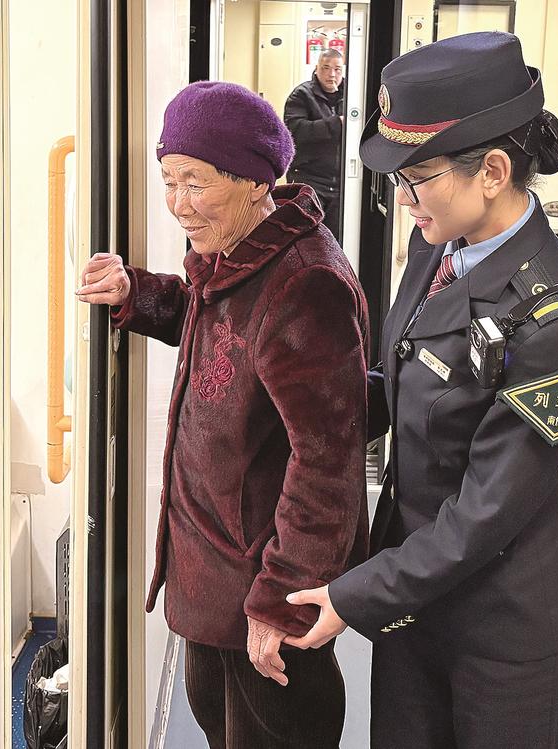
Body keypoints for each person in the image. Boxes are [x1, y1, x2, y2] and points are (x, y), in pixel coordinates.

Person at [286, 31, 558, 749]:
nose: (403, 202)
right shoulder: (441, 246)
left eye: (417, 179)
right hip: (416, 607)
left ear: (492, 171)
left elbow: (488, 512)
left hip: (504, 634)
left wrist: (354, 594)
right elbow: (404, 380)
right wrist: (297, 411)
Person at [76, 81, 369, 748]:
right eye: (169, 181)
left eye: (196, 183)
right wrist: (135, 293)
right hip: (214, 582)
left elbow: (328, 460)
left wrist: (280, 600)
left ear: (256, 182)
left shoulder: (305, 282)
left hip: (262, 590)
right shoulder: (236, 255)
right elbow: (222, 333)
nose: (178, 203)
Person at [284, 48, 346, 242]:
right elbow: (295, 131)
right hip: (308, 178)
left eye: (337, 69)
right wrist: (336, 123)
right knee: (307, 238)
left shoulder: (353, 95)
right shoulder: (301, 95)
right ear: (316, 68)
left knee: (335, 241)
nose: (332, 74)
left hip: (342, 182)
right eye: (326, 68)